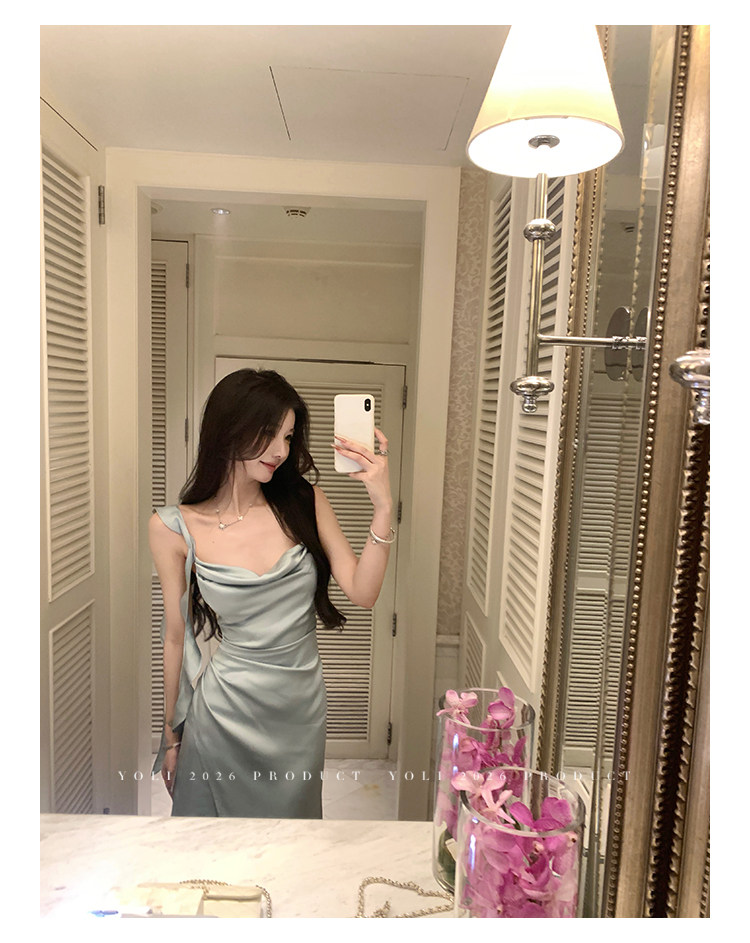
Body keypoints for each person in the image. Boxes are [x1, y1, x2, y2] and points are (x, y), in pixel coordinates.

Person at [149, 368, 393, 818]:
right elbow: (174, 637)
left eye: (288, 436)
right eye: (268, 434)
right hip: (222, 713)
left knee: (292, 843)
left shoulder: (304, 501)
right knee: (212, 848)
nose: (281, 451)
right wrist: (171, 736)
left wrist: (383, 506)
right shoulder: (173, 528)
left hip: (298, 712)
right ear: (228, 430)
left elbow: (363, 592)